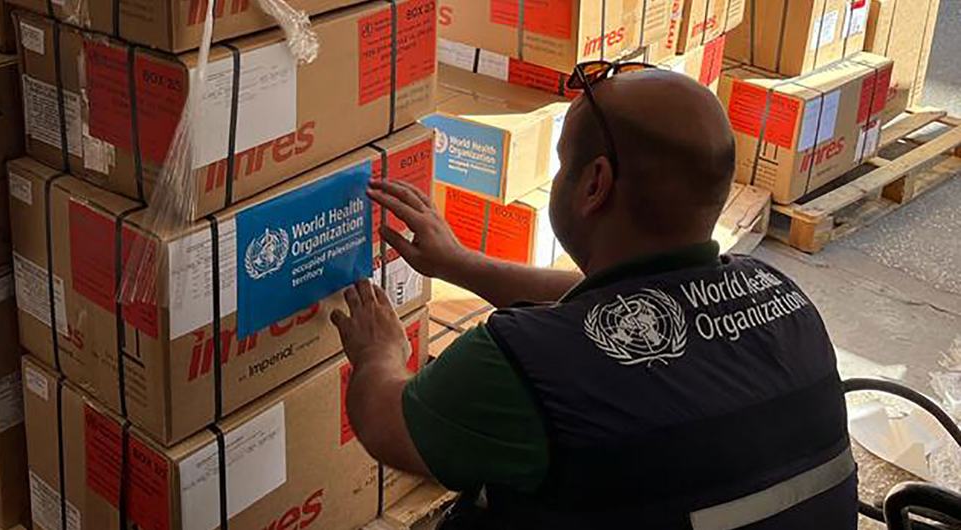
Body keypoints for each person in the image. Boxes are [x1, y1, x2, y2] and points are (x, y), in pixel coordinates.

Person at [328, 68, 858, 529]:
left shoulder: (520, 368)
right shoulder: (782, 297)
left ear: (594, 185)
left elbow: (386, 425)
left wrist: (380, 354)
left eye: (562, 164)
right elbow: (635, 307)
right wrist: (462, 265)